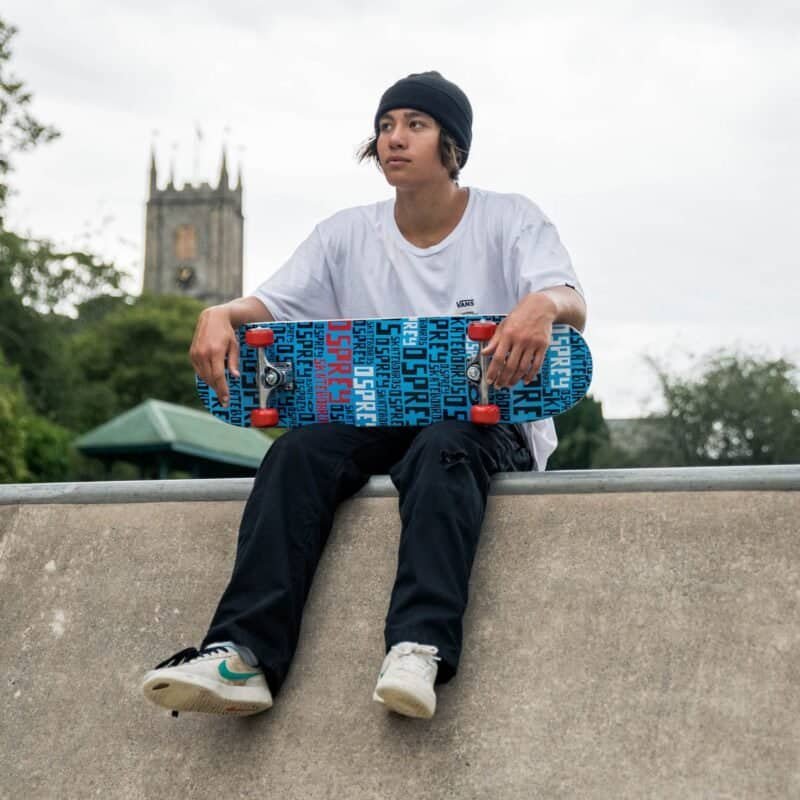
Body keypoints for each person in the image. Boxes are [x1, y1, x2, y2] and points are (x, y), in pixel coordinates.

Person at [142, 71, 587, 720]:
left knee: (442, 448)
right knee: (296, 452)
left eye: (415, 125)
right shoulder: (345, 235)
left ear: (452, 146)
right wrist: (220, 314)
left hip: (487, 418)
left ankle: (418, 647)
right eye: (385, 126)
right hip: (377, 415)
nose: (393, 139)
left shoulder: (509, 218)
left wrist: (543, 305)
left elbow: (569, 298)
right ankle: (243, 656)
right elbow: (271, 306)